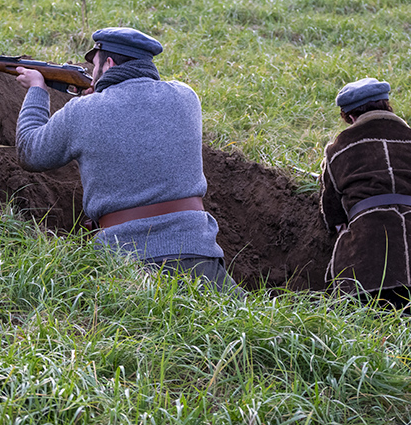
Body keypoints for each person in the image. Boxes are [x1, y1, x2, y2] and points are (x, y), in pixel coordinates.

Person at [14, 27, 242, 295]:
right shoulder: (186, 97)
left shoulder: (83, 111)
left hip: (124, 265)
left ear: (108, 64)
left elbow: (30, 151)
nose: (92, 71)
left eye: (94, 64)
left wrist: (37, 89)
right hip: (198, 254)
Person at [319, 78, 411, 310]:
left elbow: (331, 216)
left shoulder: (337, 150)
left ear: (349, 117)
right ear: (387, 105)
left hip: (366, 271)